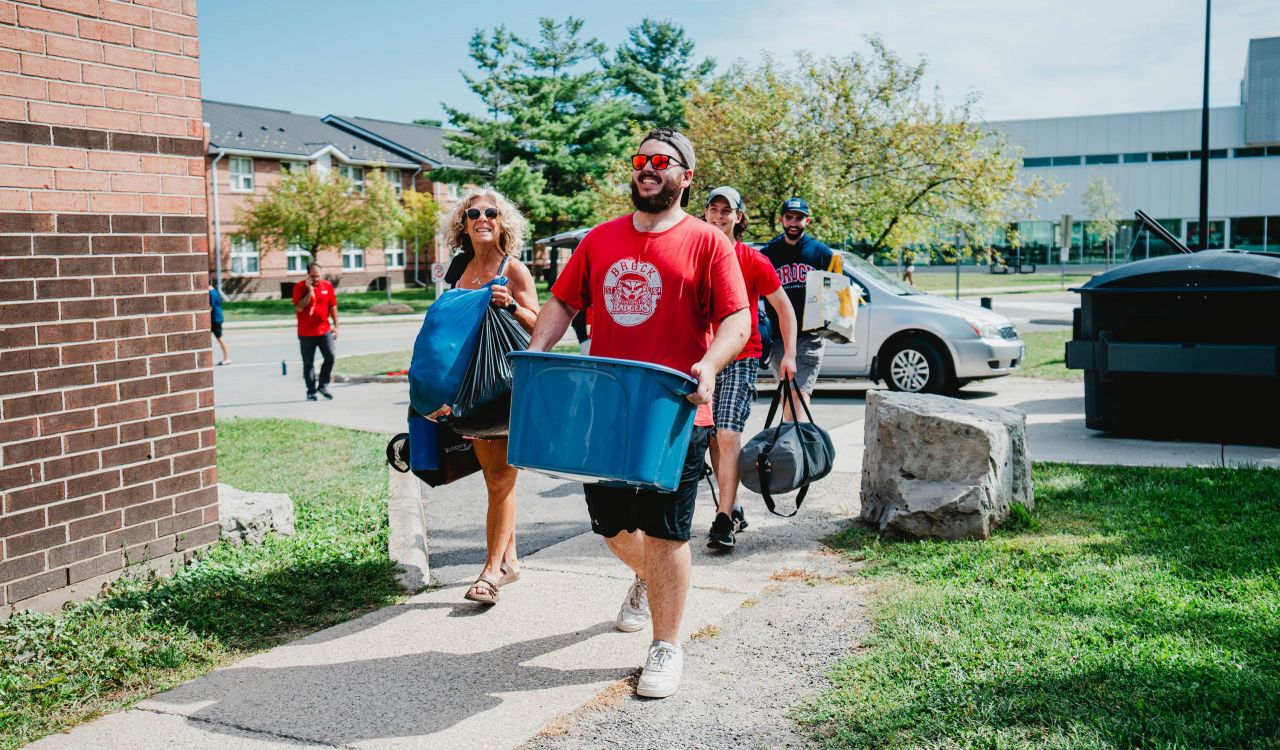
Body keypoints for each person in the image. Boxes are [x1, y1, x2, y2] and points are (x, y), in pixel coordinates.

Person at [528, 128, 750, 698]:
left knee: (666, 530)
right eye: (640, 160)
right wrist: (538, 353)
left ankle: (666, 644)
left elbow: (737, 319)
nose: (647, 168)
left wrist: (709, 364)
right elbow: (562, 300)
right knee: (611, 525)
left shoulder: (707, 242)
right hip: (606, 410)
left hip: (674, 411)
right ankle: (649, 579)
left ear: (685, 176)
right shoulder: (600, 239)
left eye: (661, 161)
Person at [441, 188, 540, 606]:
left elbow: (541, 325)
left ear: (503, 222)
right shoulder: (458, 268)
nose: (482, 218)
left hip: (505, 387)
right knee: (494, 481)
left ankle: (490, 573)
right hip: (469, 387)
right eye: (473, 213)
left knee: (500, 481)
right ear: (463, 224)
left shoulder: (513, 269)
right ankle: (511, 559)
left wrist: (510, 306)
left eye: (491, 213)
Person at [701, 186, 797, 550]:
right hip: (701, 358)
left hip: (742, 356)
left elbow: (784, 308)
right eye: (714, 209)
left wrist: (788, 356)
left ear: (739, 217)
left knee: (727, 435)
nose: (720, 215)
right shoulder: (694, 256)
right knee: (712, 438)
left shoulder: (752, 260)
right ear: (706, 213)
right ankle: (733, 507)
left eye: (728, 210)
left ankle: (723, 521)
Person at [760, 197, 837, 419]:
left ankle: (797, 447)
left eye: (799, 218)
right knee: (788, 395)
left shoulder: (822, 253)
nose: (794, 223)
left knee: (800, 393)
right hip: (779, 337)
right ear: (781, 219)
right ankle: (793, 444)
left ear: (808, 220)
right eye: (789, 217)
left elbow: (835, 294)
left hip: (810, 336)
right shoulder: (768, 254)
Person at [292, 262, 338, 401]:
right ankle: (311, 390)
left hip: (324, 330)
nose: (316, 279)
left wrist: (336, 325)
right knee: (308, 363)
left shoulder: (327, 286)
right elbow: (299, 307)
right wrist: (309, 291)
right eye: (313, 276)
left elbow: (333, 306)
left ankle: (323, 385)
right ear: (308, 275)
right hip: (306, 333)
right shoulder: (299, 287)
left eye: (318, 276)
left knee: (330, 356)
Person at [209, 282, 230, 365]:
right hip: (216, 318)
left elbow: (210, 307)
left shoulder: (211, 293)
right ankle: (227, 358)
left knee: (220, 337)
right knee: (219, 338)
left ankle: (227, 358)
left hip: (214, 319)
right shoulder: (214, 291)